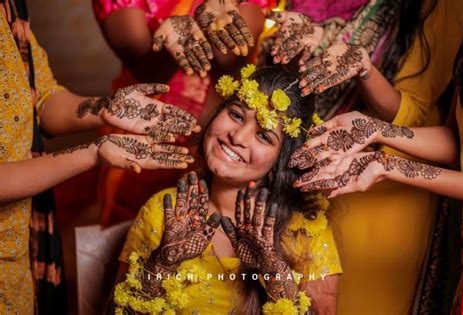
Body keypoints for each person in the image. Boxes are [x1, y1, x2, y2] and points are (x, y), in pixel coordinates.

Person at [0, 0, 201, 313]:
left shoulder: (9, 9)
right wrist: (94, 152)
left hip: (18, 242)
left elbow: (42, 99)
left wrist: (109, 109)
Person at [268, 0, 463, 313]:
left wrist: (387, 161)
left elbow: (425, 115)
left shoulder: (453, 10)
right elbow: (457, 137)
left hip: (384, 202)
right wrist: (374, 130)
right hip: (314, 170)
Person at [111, 66, 342, 314]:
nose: (238, 137)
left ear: (279, 164)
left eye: (264, 136)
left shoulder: (305, 231)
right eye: (236, 115)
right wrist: (161, 264)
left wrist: (274, 274)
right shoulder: (163, 211)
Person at [92, 0, 265, 226]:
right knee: (138, 233)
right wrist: (172, 35)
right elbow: (149, 70)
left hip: (224, 140)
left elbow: (232, 59)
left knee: (221, 236)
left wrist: (209, 17)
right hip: (146, 133)